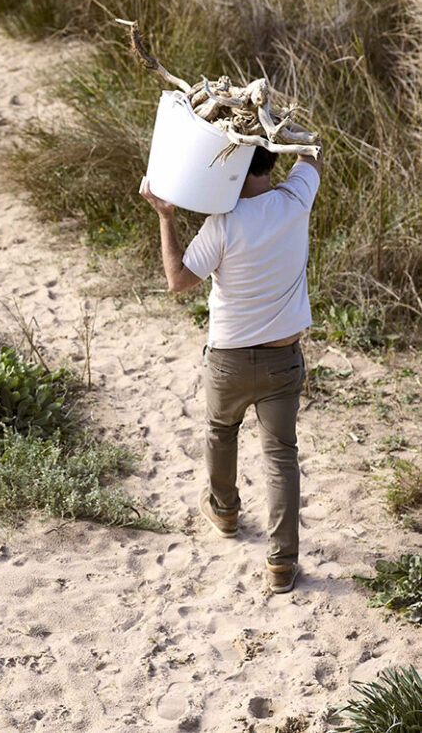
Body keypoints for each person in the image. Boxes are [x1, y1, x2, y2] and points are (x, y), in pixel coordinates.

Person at [139, 138, 322, 594]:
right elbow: (312, 153)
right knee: (281, 456)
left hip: (229, 360)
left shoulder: (222, 225)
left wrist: (166, 216)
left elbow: (178, 280)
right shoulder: (296, 197)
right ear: (272, 159)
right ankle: (281, 564)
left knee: (220, 431)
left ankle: (224, 511)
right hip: (283, 359)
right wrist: (281, 128)